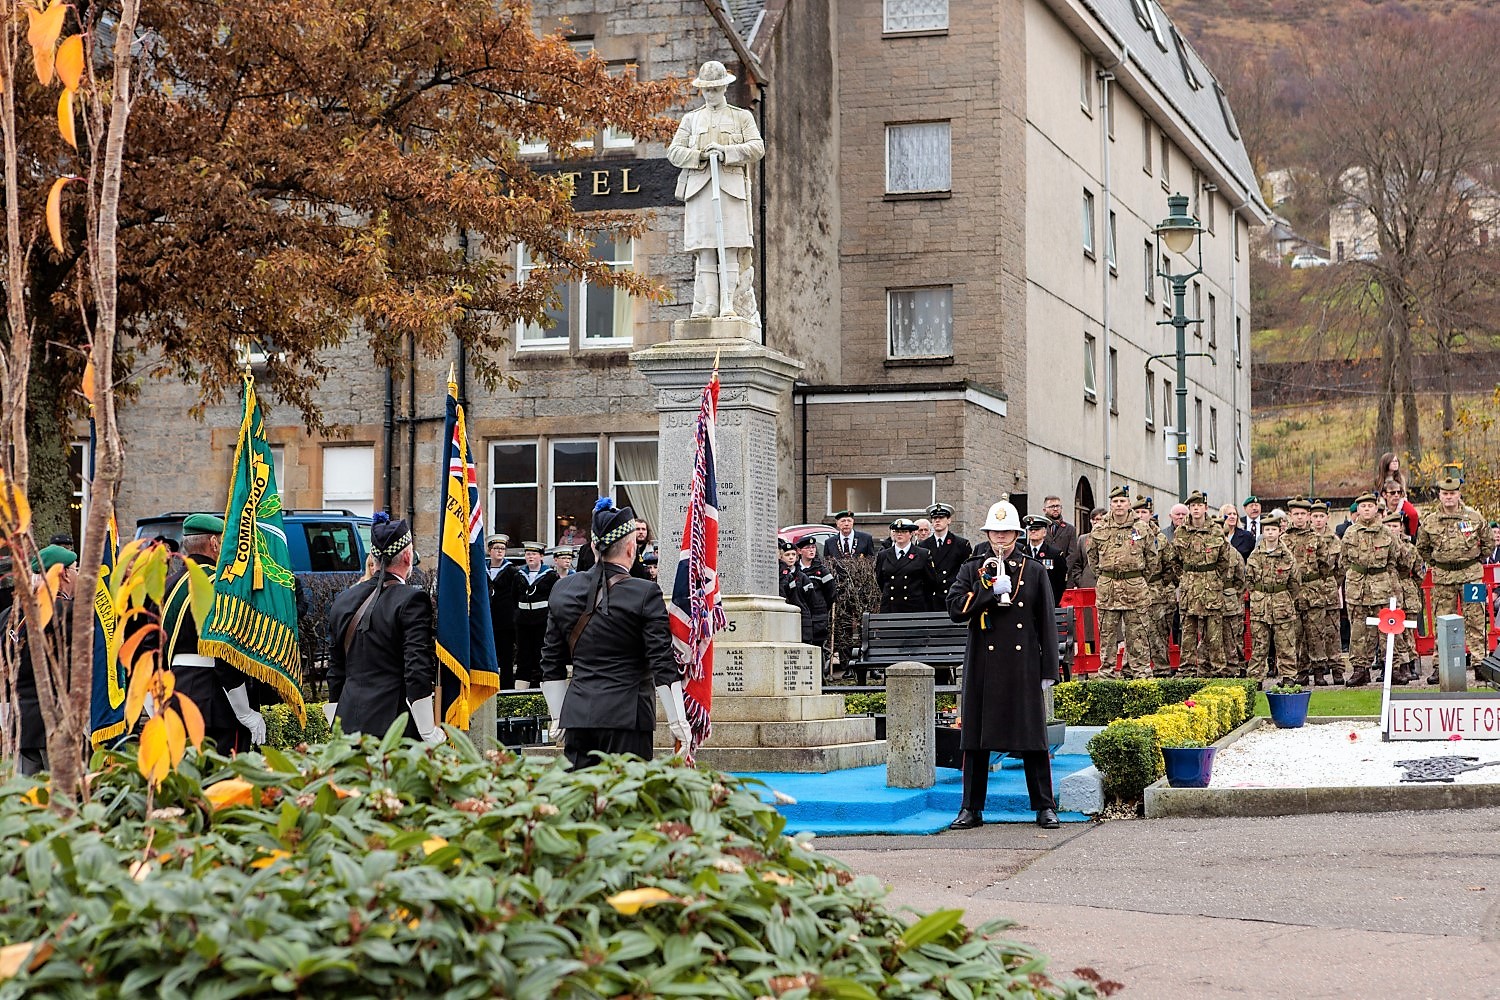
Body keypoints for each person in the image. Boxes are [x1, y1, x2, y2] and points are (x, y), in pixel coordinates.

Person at [539, 498, 687, 771]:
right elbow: (661, 660)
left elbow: (551, 661)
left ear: (594, 546)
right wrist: (678, 720)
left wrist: (558, 715)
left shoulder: (561, 589)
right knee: (626, 804)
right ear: (631, 548)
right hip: (628, 719)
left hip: (578, 715)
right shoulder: (645, 592)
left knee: (581, 802)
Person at [946, 500, 1060, 831]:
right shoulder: (973, 568)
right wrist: (987, 590)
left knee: (1033, 738)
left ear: (1016, 534)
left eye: (1006, 532)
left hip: (1023, 662)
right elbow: (955, 608)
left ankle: (1044, 805)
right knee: (976, 739)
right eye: (994, 532)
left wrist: (1048, 670)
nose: (1000, 538)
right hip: (984, 659)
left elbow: (1046, 623)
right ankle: (970, 807)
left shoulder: (1034, 569)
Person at [325, 514, 442, 742]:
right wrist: (427, 729)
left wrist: (336, 722)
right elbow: (416, 668)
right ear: (408, 557)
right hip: (396, 728)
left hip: (348, 725)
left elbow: (335, 670)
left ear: (374, 559)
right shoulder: (413, 600)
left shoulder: (344, 599)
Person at [666, 60, 765, 323]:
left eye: (715, 89)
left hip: (730, 190)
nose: (711, 94)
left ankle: (728, 304)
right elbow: (674, 152)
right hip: (700, 189)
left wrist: (727, 152)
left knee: (730, 248)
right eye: (706, 90)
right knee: (706, 249)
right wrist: (699, 155)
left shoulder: (741, 116)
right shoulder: (691, 119)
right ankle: (709, 304)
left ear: (724, 88)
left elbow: (757, 147)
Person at [163, 514, 268, 752]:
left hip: (173, 696)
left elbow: (149, 648)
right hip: (214, 703)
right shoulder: (218, 586)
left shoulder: (168, 585)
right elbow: (224, 654)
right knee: (220, 783)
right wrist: (245, 711)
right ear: (214, 543)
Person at [11, 545, 79, 774]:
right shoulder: (66, 612)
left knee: (27, 801)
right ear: (65, 574)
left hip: (22, 722)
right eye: (76, 569)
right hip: (55, 719)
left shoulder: (10, 615)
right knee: (64, 797)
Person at [1416, 476, 1487, 682]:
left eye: (1452, 493)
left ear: (1458, 494)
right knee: (1443, 622)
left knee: (1476, 619)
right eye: (1445, 494)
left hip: (1471, 576)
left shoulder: (1474, 517)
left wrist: (1472, 561)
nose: (1449, 497)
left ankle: (1480, 663)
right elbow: (1422, 548)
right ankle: (1441, 665)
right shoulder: (1430, 521)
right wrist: (1439, 564)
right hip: (1443, 578)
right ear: (1440, 495)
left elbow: (1488, 543)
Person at [1087, 485, 1159, 679]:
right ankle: (1107, 674)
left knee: (1138, 634)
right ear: (1110, 504)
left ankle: (1140, 673)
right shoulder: (1100, 527)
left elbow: (1152, 558)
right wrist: (1106, 576)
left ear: (1129, 504)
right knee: (1107, 635)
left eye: (1122, 501)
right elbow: (1092, 557)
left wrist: (1137, 578)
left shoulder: (1141, 527)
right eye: (1115, 501)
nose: (1119, 505)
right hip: (1108, 588)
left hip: (1134, 589)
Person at [1172, 491, 1238, 678]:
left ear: (1206, 508)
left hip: (1211, 589)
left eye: (1199, 506)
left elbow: (1225, 560)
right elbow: (1174, 560)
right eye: (1193, 507)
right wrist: (1185, 578)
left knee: (1214, 633)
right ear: (1189, 510)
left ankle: (1218, 669)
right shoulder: (1181, 532)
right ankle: (1186, 670)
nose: (1196, 509)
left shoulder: (1216, 531)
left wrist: (1215, 578)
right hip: (1190, 588)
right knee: (1188, 632)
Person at [1341, 494, 1403, 687]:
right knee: (1358, 631)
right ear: (1357, 510)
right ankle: (1360, 670)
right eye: (1363, 506)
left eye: (1370, 506)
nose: (1366, 509)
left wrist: (1384, 578)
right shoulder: (1350, 533)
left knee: (1387, 629)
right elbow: (1344, 561)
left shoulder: (1386, 533)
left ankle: (1391, 668)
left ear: (1376, 509)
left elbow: (1395, 559)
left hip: (1382, 587)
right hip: (1357, 588)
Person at [1282, 497, 1336, 686]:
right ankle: (1300, 671)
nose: (1299, 518)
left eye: (1303, 514)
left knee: (1316, 633)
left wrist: (1314, 581)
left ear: (1308, 516)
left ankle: (1319, 671)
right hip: (1292, 593)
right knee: (1294, 634)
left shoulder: (1317, 538)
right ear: (1290, 515)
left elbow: (1325, 565)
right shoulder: (1284, 539)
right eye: (1296, 514)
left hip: (1313, 591)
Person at [1245, 514, 1301, 689]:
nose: (1270, 533)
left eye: (1273, 530)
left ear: (1279, 531)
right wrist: (1257, 596)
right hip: (1260, 605)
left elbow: (1295, 582)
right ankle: (1256, 678)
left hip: (1281, 603)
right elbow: (1249, 580)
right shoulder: (1255, 555)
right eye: (1267, 530)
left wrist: (1283, 597)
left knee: (1285, 643)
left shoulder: (1286, 556)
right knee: (1259, 644)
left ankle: (1289, 676)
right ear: (1263, 532)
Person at [1137, 498, 1177, 677]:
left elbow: (1170, 564)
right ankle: (1137, 668)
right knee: (1135, 632)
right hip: (1134, 589)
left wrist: (1160, 584)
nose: (1140, 516)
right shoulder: (1130, 535)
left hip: (1155, 589)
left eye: (1143, 512)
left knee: (1157, 632)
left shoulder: (1160, 538)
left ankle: (1161, 668)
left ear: (1150, 515)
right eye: (1137, 512)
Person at [1308, 500, 1345, 685]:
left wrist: (1332, 583)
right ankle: (1318, 669)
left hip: (1329, 588)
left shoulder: (1334, 539)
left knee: (1332, 630)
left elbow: (1341, 568)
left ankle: (1337, 668)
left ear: (1327, 518)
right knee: (1314, 631)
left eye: (1321, 516)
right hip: (1310, 589)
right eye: (1315, 516)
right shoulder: (1305, 538)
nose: (1318, 520)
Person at [514, 542, 557, 690]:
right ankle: (520, 688)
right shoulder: (518, 574)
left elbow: (553, 598)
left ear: (541, 556)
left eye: (533, 554)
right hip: (523, 620)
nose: (530, 557)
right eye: (528, 554)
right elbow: (514, 597)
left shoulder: (550, 576)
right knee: (523, 655)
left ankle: (541, 686)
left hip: (542, 620)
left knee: (540, 653)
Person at [791, 535, 835, 672]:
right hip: (799, 616)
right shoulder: (794, 570)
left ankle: (819, 678)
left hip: (817, 617)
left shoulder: (821, 570)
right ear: (799, 551)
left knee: (817, 648)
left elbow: (831, 593)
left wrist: (821, 607)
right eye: (807, 548)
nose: (811, 550)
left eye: (813, 547)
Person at [875, 517, 937, 612]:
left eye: (904, 531)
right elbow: (880, 579)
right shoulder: (883, 555)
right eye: (897, 531)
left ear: (911, 533)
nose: (899, 534)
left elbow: (930, 582)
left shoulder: (922, 554)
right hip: (890, 606)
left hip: (913, 606)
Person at [485, 533, 521, 690]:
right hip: (486, 620)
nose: (500, 551)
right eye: (496, 548)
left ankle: (506, 688)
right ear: (489, 550)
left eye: (503, 548)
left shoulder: (511, 571)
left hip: (505, 622)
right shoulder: (481, 570)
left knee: (505, 657)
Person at [921, 502, 972, 598]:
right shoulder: (923, 545)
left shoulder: (961, 544)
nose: (937, 521)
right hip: (931, 597)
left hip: (952, 595)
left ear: (949, 520)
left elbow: (967, 572)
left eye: (941, 518)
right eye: (934, 518)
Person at [1021, 514, 1068, 605]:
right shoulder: (1021, 553)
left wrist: (1053, 602)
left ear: (1044, 533)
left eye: (1037, 529)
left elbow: (1060, 582)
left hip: (1047, 600)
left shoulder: (1055, 554)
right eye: (1030, 529)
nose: (1033, 531)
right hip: (1025, 602)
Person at [1067, 508, 1105, 589]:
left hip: (1106, 585)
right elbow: (1076, 563)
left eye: (1099, 519)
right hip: (1087, 585)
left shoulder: (1112, 539)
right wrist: (1080, 581)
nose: (1095, 522)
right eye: (1093, 519)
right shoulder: (1083, 539)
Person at [1041, 496, 1077, 577]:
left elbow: (1073, 553)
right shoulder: (1039, 528)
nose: (1055, 509)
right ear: (1044, 510)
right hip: (1043, 573)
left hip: (1064, 575)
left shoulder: (1070, 529)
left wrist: (1062, 569)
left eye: (1057, 506)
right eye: (1051, 506)